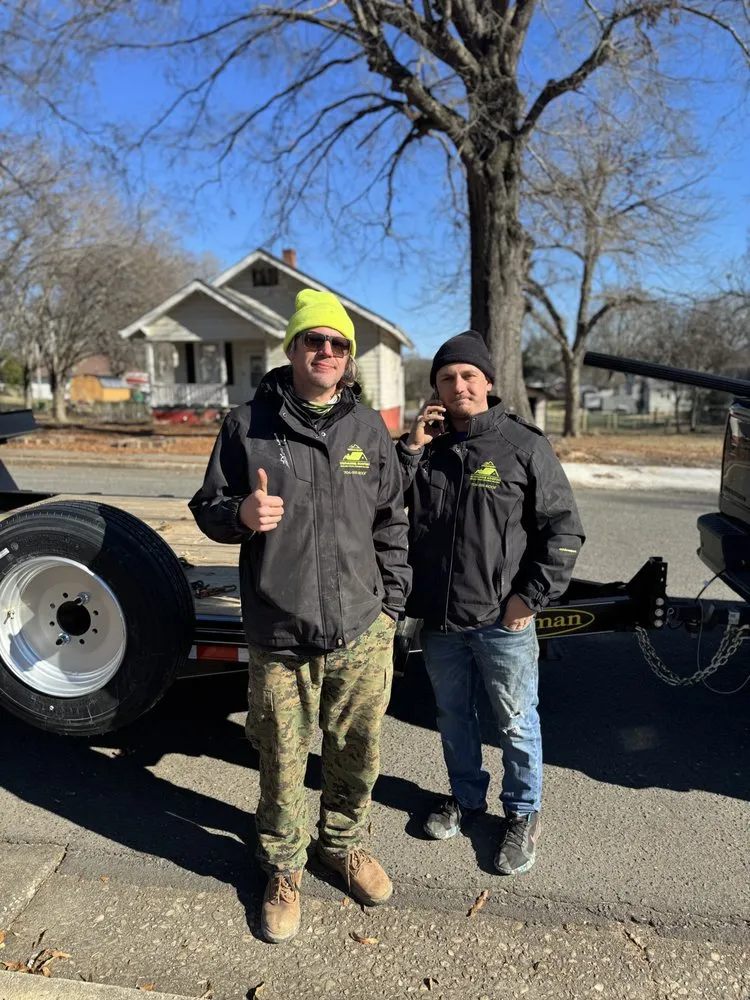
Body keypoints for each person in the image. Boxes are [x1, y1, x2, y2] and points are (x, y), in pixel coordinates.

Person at [189, 289, 411, 944]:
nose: (326, 351)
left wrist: (390, 608)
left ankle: (341, 845)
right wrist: (240, 518)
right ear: (292, 348)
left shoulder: (367, 430)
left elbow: (393, 522)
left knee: (356, 749)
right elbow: (209, 505)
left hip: (360, 628)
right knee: (282, 753)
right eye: (314, 340)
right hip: (280, 628)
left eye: (338, 343)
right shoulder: (247, 425)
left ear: (347, 357)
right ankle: (283, 867)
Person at [397, 330, 584, 876]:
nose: (459, 386)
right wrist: (410, 448)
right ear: (435, 387)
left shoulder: (523, 445)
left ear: (488, 382)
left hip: (503, 618)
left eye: (468, 376)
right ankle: (466, 798)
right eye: (447, 378)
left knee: (516, 721)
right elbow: (382, 501)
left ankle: (523, 813)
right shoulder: (423, 447)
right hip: (439, 618)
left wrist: (530, 596)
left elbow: (565, 530)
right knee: (454, 716)